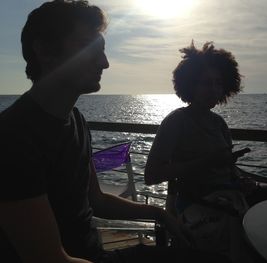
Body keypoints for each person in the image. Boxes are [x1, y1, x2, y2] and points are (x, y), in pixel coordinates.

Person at [0, 2, 232, 263]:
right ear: (43, 50)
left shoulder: (75, 120)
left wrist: (159, 213)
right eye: (89, 49)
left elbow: (97, 201)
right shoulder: (13, 137)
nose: (105, 63)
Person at [144, 41, 267, 262]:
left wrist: (243, 179)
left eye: (218, 83)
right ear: (190, 85)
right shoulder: (176, 122)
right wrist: (207, 162)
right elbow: (151, 175)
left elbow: (226, 167)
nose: (214, 89)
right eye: (206, 83)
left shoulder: (218, 123)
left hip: (232, 192)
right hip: (199, 201)